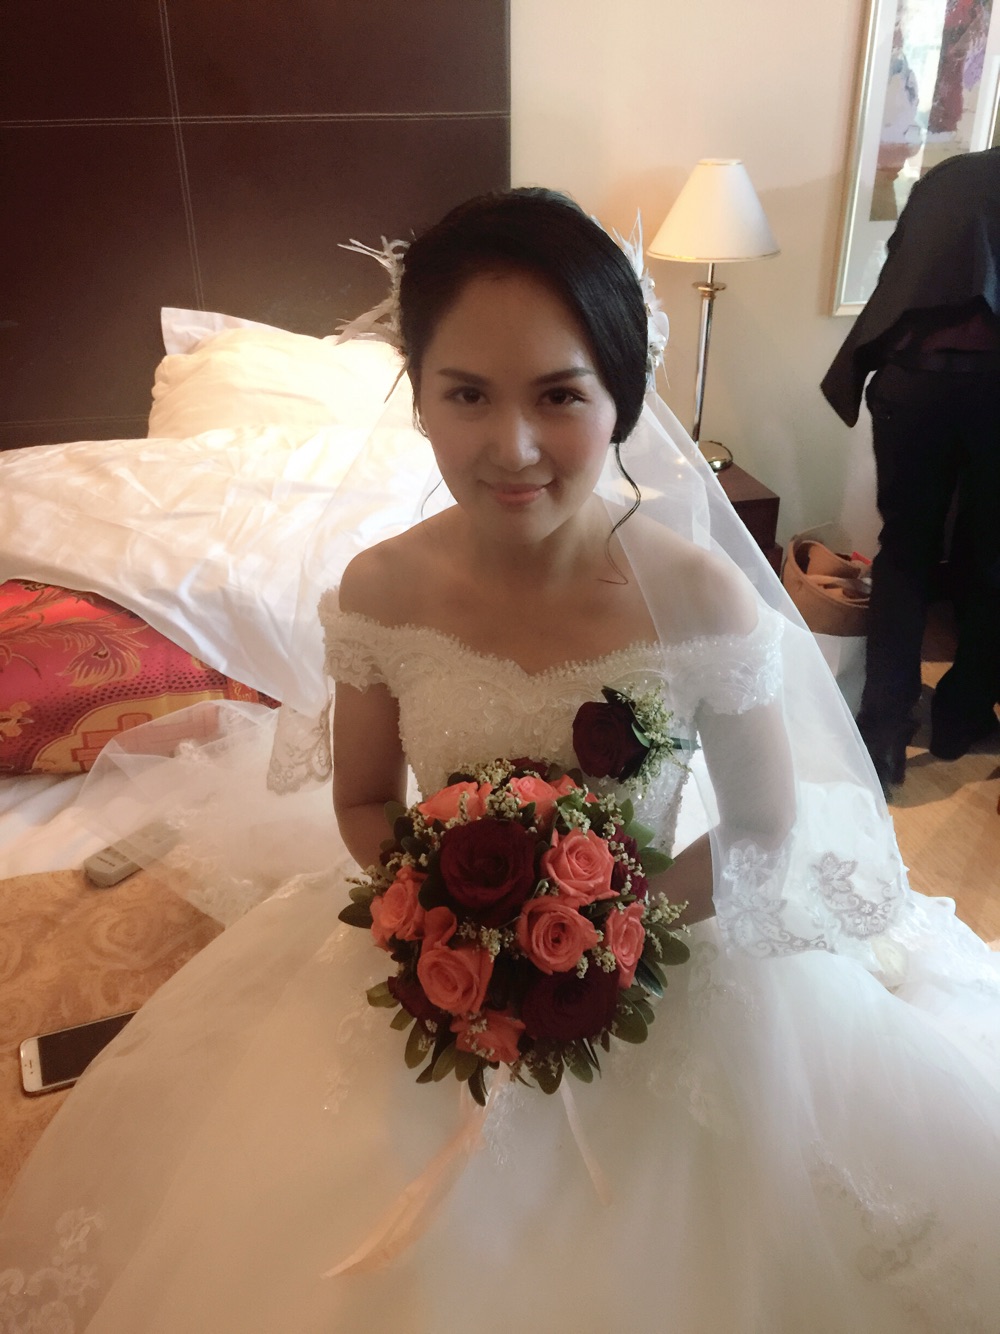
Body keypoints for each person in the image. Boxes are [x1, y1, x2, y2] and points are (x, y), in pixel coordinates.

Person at [3, 188, 1000, 1333]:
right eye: (467, 393)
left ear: (620, 399)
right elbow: (365, 799)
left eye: (559, 395)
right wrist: (444, 920)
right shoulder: (382, 589)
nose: (511, 446)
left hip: (661, 964)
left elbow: (764, 827)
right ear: (418, 394)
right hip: (443, 966)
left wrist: (606, 941)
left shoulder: (700, 596)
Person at [822, 147, 1000, 793]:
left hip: (911, 382)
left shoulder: (949, 178)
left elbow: (899, 273)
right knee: (991, 557)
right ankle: (960, 716)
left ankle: (882, 735)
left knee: (904, 552)